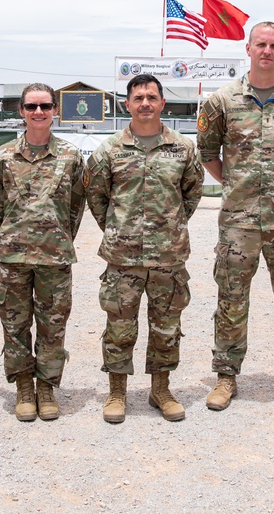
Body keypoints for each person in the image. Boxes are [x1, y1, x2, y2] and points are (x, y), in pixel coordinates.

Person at [197, 22, 274, 412]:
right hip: (239, 222)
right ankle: (225, 376)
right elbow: (208, 154)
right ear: (247, 49)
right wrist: (237, 183)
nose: (267, 51)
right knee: (232, 300)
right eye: (261, 45)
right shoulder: (222, 100)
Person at [85, 74, 203, 423]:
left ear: (162, 103)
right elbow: (97, 197)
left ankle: (161, 390)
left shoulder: (182, 148)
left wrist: (170, 226)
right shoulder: (110, 150)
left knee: (167, 326)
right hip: (123, 258)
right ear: (128, 104)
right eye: (138, 98)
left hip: (168, 256)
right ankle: (117, 392)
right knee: (120, 327)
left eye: (152, 97)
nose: (146, 103)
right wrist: (119, 229)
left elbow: (192, 193)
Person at [0, 84, 85, 422]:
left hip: (54, 258)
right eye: (31, 106)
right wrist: (14, 236)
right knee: (14, 326)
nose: (38, 112)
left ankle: (47, 386)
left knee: (53, 327)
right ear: (21, 111)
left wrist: (58, 238)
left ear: (55, 109)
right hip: (13, 258)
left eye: (45, 106)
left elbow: (76, 207)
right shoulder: (3, 156)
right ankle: (24, 387)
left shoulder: (70, 156)